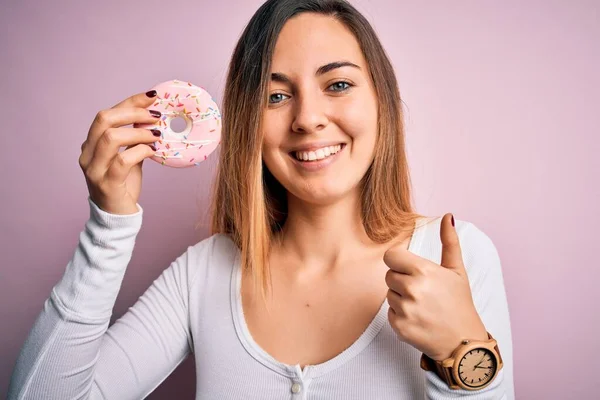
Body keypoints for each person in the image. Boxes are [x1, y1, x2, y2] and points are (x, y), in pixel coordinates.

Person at [8, 0, 514, 398]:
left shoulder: (453, 260)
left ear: (381, 101)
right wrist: (109, 223)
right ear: (248, 122)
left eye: (337, 84)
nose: (307, 118)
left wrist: (461, 355)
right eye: (275, 96)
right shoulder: (204, 274)